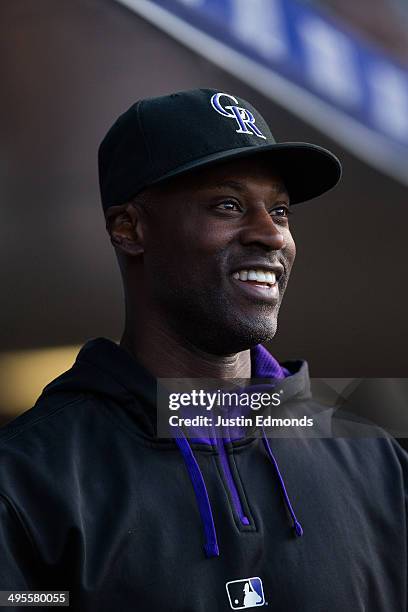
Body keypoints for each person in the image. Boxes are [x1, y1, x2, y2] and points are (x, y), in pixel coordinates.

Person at [0, 88, 406, 611]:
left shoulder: (377, 462)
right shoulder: (29, 479)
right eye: (229, 205)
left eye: (280, 211)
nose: (271, 235)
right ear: (129, 228)